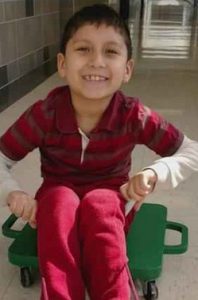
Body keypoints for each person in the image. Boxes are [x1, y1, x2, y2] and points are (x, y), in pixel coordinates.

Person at [0, 4, 198, 300]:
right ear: (63, 64)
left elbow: (190, 150)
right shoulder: (44, 114)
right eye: (83, 49)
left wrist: (154, 174)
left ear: (127, 69)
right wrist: (12, 192)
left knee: (101, 201)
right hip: (57, 206)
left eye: (111, 52)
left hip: (110, 206)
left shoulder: (134, 116)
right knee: (58, 198)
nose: (96, 62)